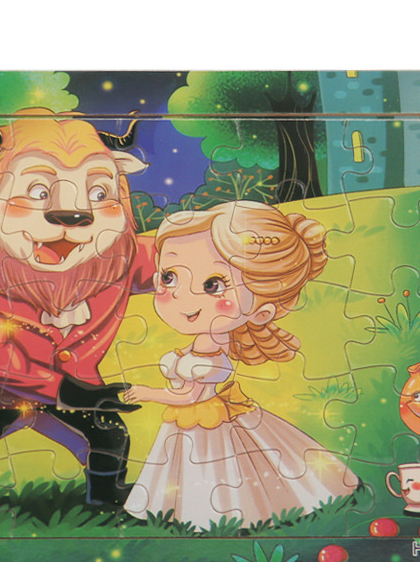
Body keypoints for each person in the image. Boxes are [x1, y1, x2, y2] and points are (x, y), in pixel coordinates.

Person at [122, 201, 358, 530]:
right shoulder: (202, 343)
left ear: (261, 311)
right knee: (191, 472)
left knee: (219, 471)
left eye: (213, 285)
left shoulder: (210, 357)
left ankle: (216, 517)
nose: (180, 295)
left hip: (205, 419)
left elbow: (189, 397)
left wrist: (148, 393)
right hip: (194, 422)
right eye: (169, 277)